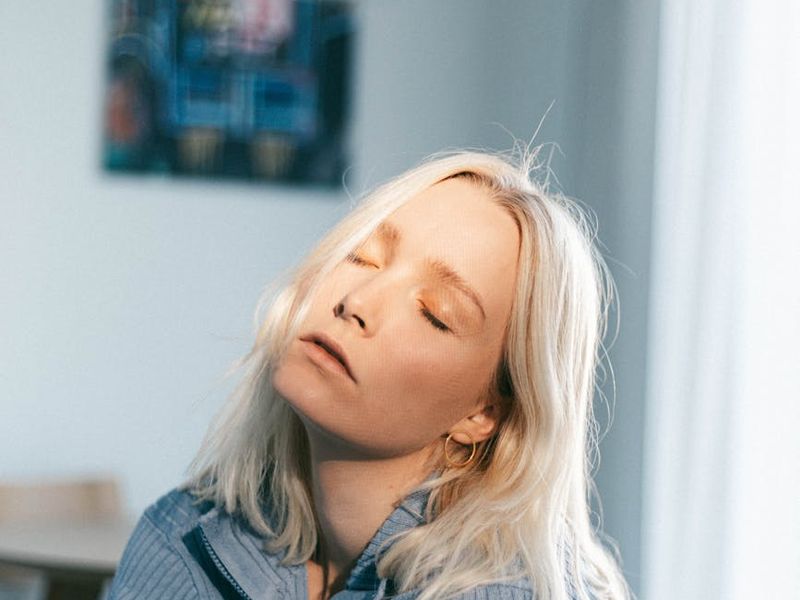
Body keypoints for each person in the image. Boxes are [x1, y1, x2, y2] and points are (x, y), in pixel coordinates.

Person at [107, 146, 632, 600]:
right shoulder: (186, 534)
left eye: (435, 313)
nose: (356, 302)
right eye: (363, 257)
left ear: (484, 414)